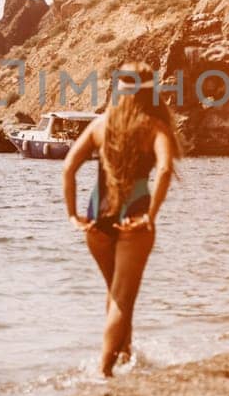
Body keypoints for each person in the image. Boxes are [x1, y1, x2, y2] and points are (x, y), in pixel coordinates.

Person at [61, 63, 182, 377]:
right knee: (122, 297)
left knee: (115, 292)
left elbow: (68, 167)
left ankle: (125, 354)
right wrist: (151, 216)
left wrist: (73, 214)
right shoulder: (154, 128)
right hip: (134, 222)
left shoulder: (101, 125)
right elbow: (166, 170)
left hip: (96, 222)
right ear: (150, 91)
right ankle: (104, 371)